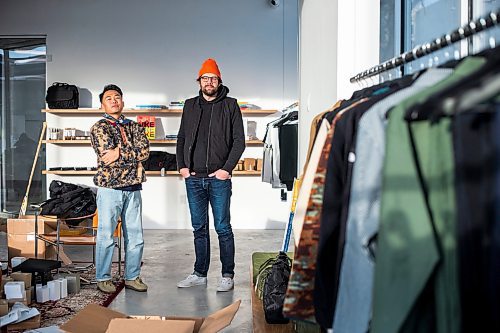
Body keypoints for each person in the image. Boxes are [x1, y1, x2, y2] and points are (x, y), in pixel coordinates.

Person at [176, 58, 245, 292]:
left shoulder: (230, 105)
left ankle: (227, 274)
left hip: (219, 178)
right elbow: (182, 137)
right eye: (205, 78)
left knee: (223, 227)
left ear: (219, 81)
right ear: (199, 81)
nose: (209, 82)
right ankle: (199, 273)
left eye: (213, 78)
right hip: (193, 177)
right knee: (199, 228)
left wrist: (226, 170)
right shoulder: (190, 105)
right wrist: (182, 168)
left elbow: (239, 141)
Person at [90, 84, 150, 294]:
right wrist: (126, 153)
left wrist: (119, 152)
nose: (114, 100)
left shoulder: (134, 126)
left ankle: (132, 276)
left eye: (117, 97)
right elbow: (107, 156)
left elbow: (145, 152)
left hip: (134, 188)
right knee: (106, 235)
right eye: (109, 98)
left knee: (135, 236)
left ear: (122, 101)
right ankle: (103, 277)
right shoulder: (99, 127)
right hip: (109, 189)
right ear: (102, 105)